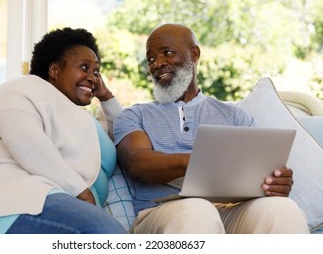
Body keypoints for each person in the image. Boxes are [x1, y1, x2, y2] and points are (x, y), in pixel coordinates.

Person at [113, 23, 310, 234]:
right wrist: (197, 161)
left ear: (194, 54)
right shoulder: (135, 115)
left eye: (167, 53)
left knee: (282, 210)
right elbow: (136, 163)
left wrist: (274, 181)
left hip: (229, 210)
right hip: (163, 211)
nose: (157, 64)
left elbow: (255, 172)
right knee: (198, 211)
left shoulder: (235, 116)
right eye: (150, 58)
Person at [0, 27, 126, 234]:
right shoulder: (22, 88)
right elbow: (28, 144)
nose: (92, 77)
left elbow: (125, 137)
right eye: (84, 67)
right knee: (106, 232)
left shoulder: (82, 118)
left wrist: (106, 96)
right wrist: (82, 194)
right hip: (10, 201)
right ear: (54, 70)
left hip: (60, 203)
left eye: (96, 71)